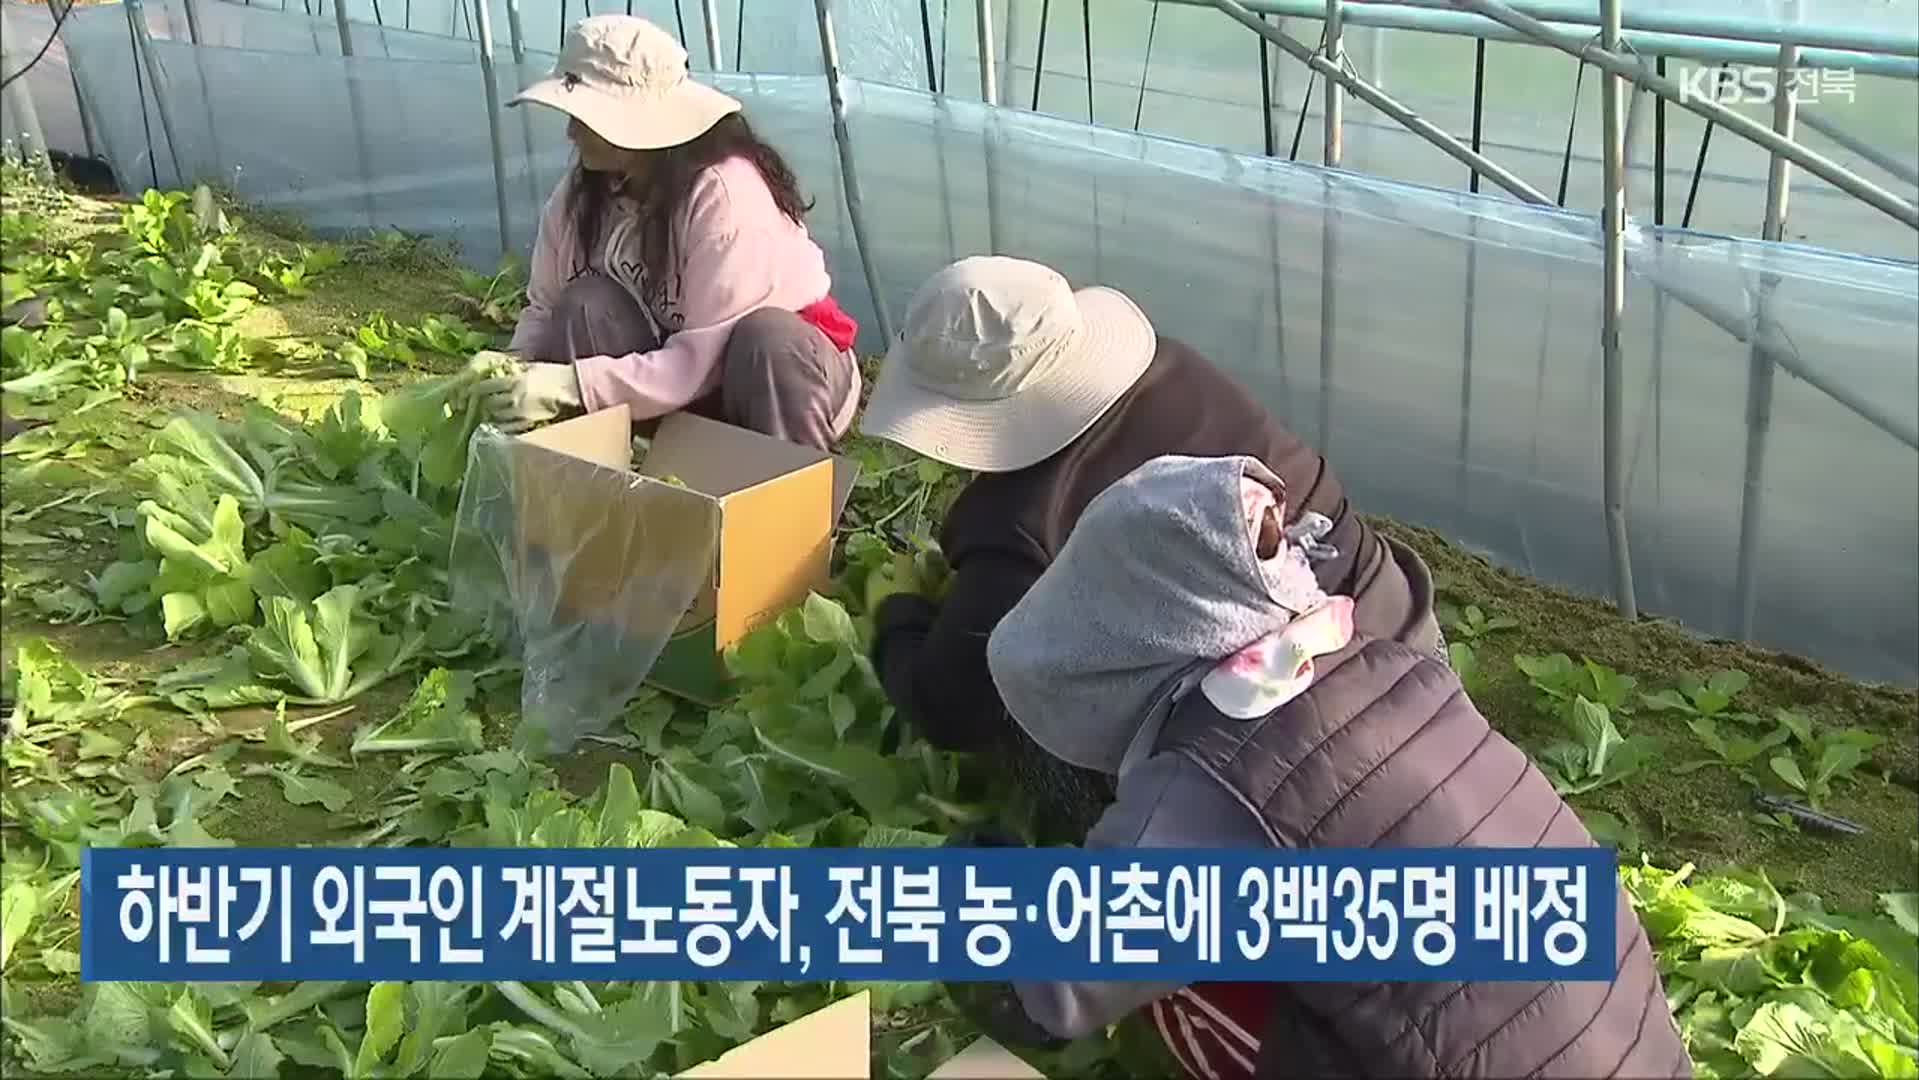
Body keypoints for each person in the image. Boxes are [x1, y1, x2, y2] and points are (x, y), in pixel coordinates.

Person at [946, 452, 1690, 1080]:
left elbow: (1052, 987)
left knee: (1189, 985)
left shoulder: (1215, 782)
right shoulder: (1389, 667)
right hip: (1631, 1044)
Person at [860, 255, 1441, 831]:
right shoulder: (1176, 370)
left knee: (1029, 719)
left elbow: (949, 706)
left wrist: (899, 612)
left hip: (1301, 756)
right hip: (1403, 633)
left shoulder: (1021, 524)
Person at [473, 15, 862, 450]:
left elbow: (702, 360)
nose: (570, 132)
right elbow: (545, 305)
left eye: (583, 117)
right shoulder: (584, 191)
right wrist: (515, 361)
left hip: (769, 381)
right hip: (671, 370)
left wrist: (570, 384)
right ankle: (604, 470)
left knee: (766, 338)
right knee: (586, 303)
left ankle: (793, 494)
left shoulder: (725, 197)